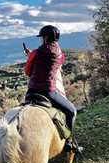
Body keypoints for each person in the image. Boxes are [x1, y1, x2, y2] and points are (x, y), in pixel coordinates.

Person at [24, 25, 83, 153]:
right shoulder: (60, 55)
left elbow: (28, 72)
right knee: (71, 112)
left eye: (41, 38)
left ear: (45, 38)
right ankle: (69, 143)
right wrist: (32, 56)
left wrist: (30, 57)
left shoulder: (35, 52)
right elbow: (49, 66)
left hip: (32, 91)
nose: (40, 40)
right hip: (49, 93)